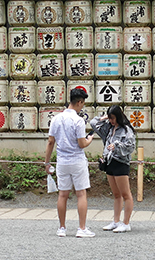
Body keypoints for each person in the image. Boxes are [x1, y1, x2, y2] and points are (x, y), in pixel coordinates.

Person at [44, 88, 96, 238]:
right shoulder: (78, 120)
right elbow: (81, 144)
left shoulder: (56, 119)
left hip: (62, 161)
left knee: (62, 194)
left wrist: (47, 162)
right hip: (77, 160)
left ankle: (61, 228)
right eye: (82, 104)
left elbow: (50, 142)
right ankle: (81, 228)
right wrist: (89, 140)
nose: (82, 106)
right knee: (81, 194)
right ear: (79, 102)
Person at [91, 105, 137, 233]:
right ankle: (116, 221)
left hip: (121, 162)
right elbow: (93, 123)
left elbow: (130, 146)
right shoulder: (108, 128)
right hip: (109, 162)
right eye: (110, 118)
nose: (111, 121)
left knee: (125, 194)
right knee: (116, 194)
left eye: (113, 118)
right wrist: (104, 117)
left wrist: (116, 146)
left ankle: (126, 222)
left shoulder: (126, 130)